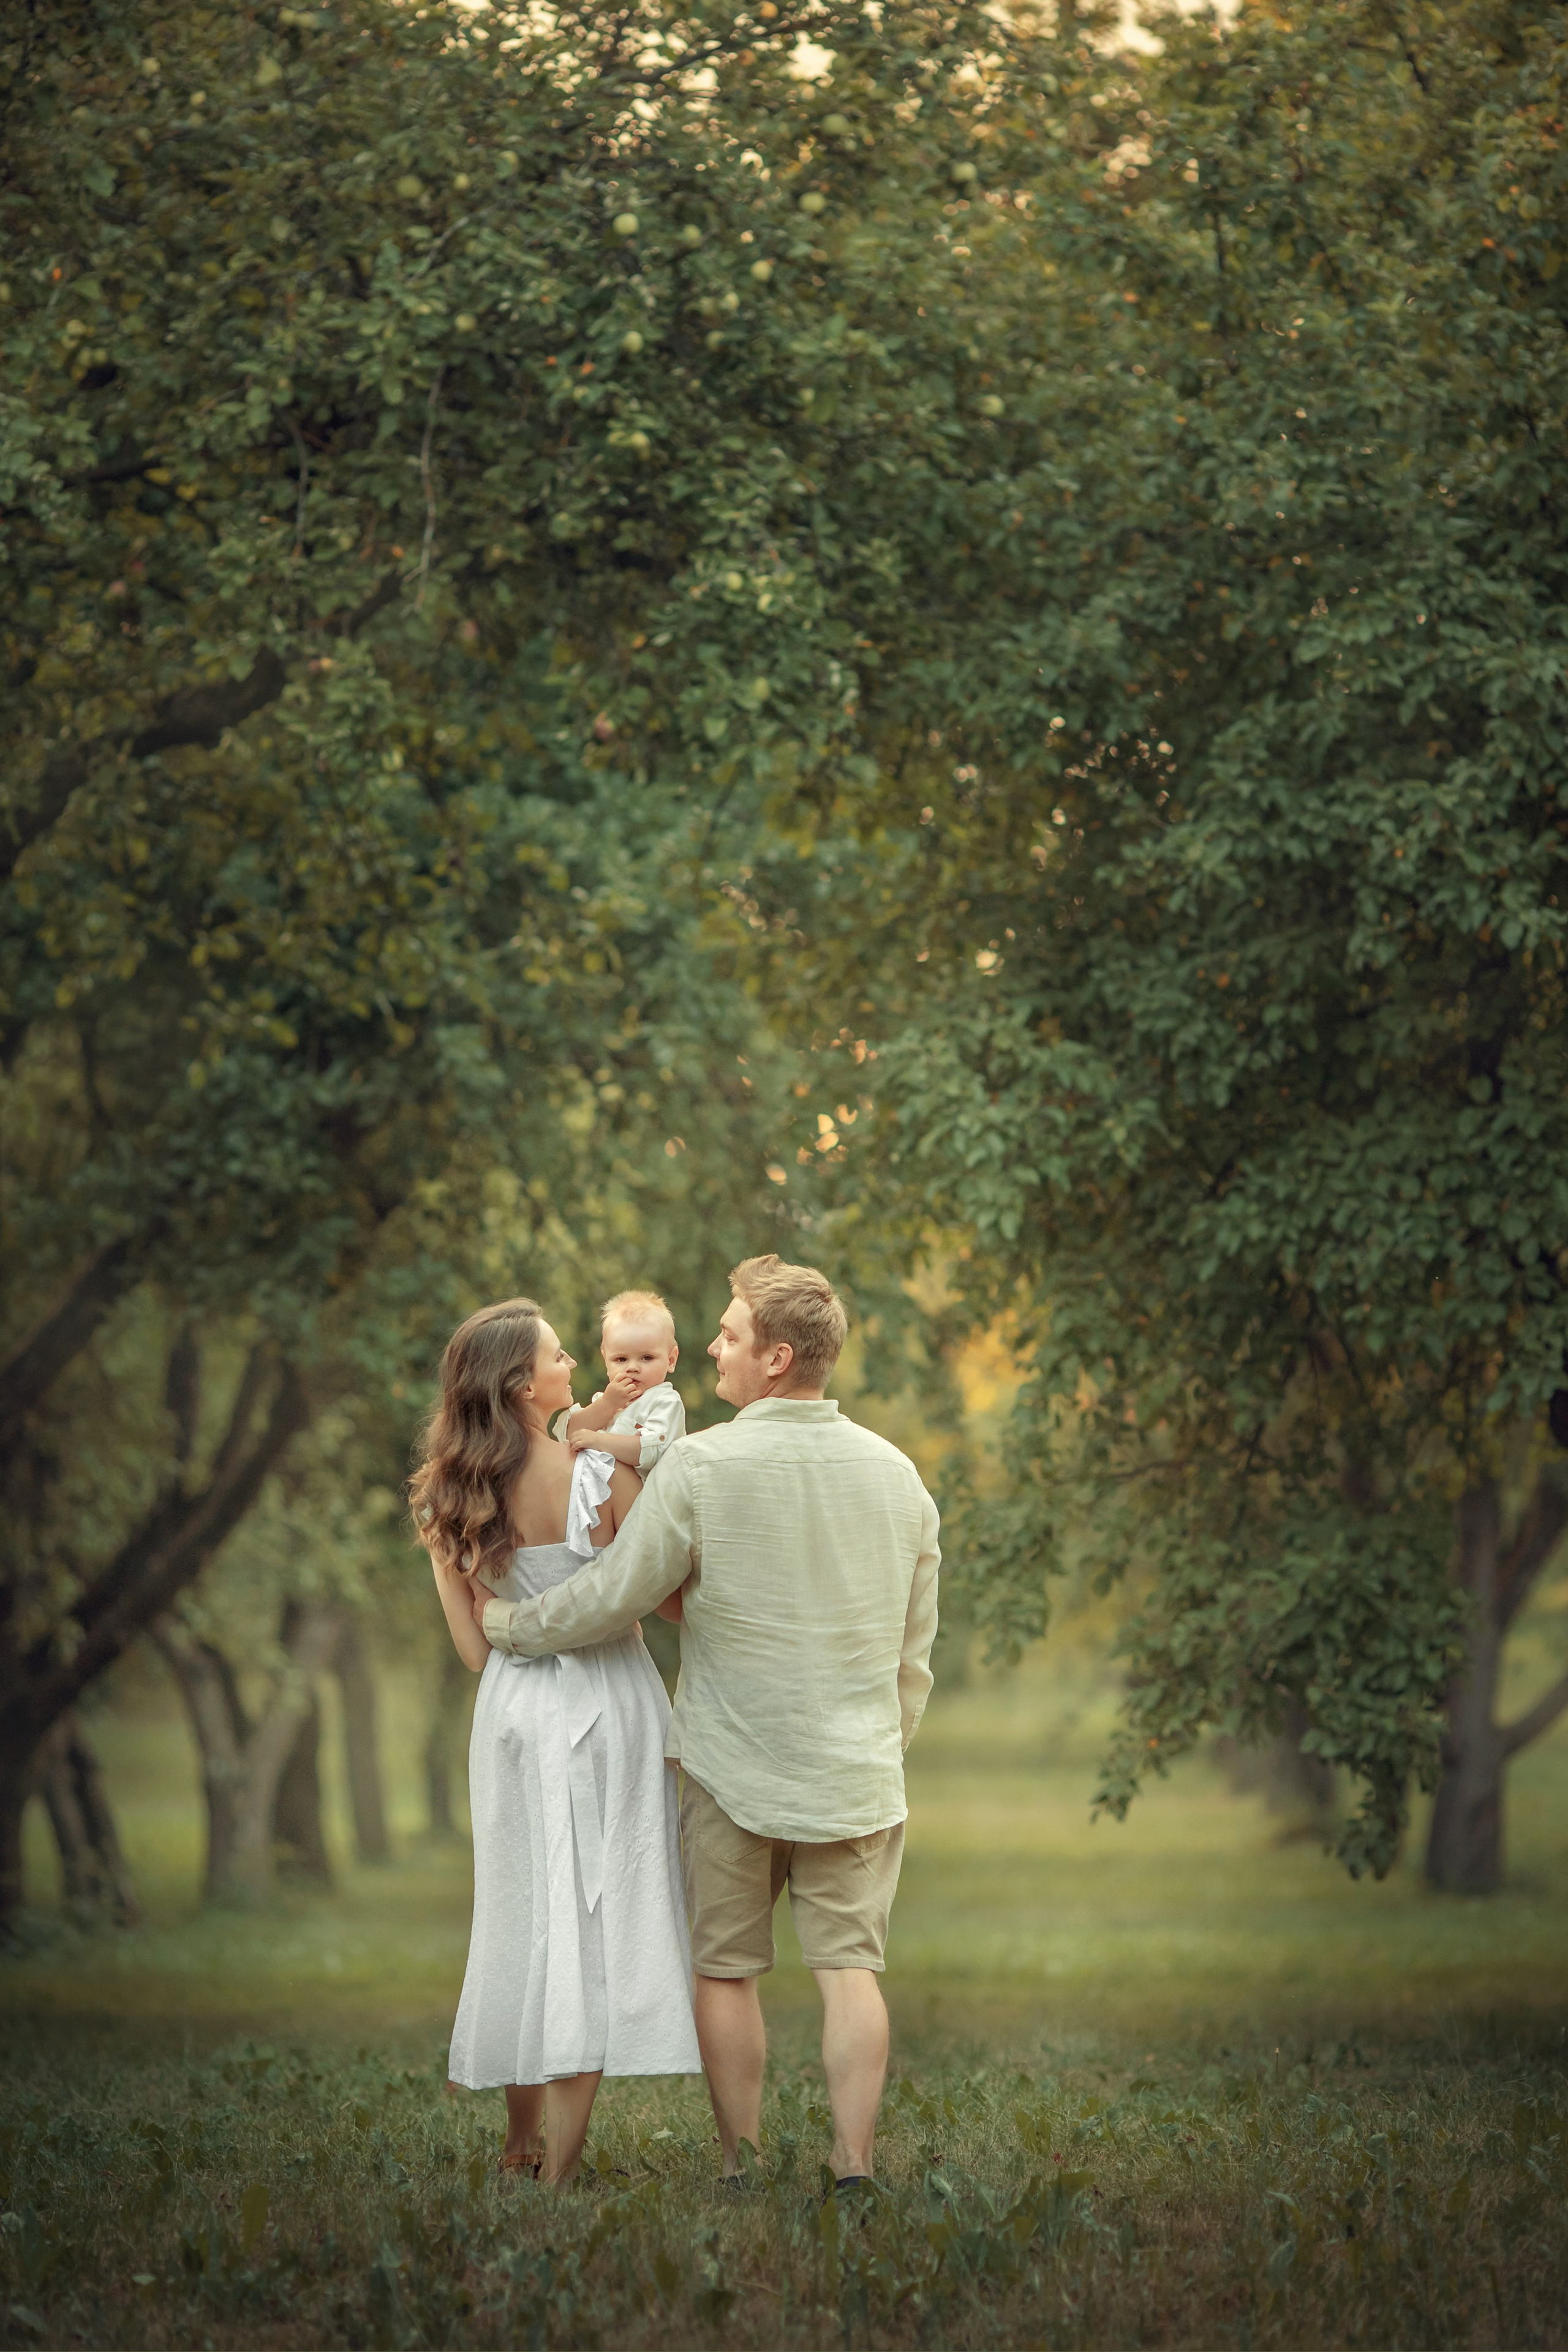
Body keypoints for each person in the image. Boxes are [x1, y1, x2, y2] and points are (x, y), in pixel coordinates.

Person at [471, 1255, 940, 2191]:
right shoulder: (899, 1477)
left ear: (775, 1358)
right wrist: (879, 1745)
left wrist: (511, 1626)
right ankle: (853, 2163)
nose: (713, 1351)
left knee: (726, 1969)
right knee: (851, 1968)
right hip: (856, 1771)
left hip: (731, 1767)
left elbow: (615, 1594)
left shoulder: (702, 1465)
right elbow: (913, 1655)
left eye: (728, 1337)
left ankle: (741, 2164)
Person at [412, 1298, 701, 2187]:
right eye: (557, 1356)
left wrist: (499, 1605)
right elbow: (660, 1600)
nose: (574, 1364)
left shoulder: (445, 1497)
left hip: (514, 1716)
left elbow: (473, 1651)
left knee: (525, 1908)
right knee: (594, 1920)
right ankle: (562, 2166)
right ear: (519, 1384)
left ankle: (521, 2143)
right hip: (609, 1702)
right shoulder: (596, 1474)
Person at [560, 1288, 686, 1474]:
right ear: (606, 1361)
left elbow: (649, 1451)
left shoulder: (665, 1401)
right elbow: (570, 1434)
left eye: (647, 1358)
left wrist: (599, 1441)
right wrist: (607, 1404)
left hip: (647, 1491)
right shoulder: (607, 1401)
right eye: (621, 1359)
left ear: (671, 1360)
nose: (632, 1368)